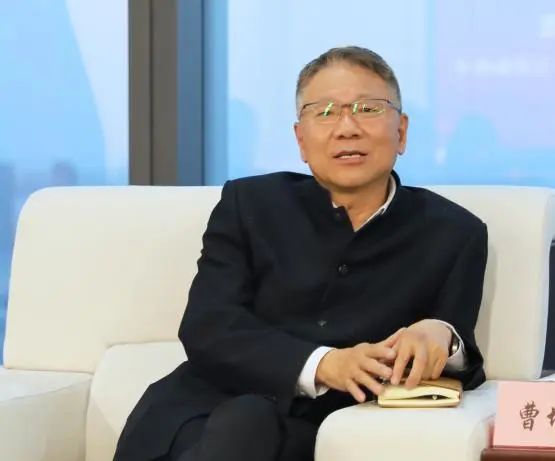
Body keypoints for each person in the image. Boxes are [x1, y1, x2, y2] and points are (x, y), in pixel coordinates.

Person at [113, 46, 488, 461]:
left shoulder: (455, 232)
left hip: (313, 435)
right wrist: (325, 364)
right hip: (198, 417)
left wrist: (441, 333)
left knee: (251, 427)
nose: (347, 128)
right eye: (325, 112)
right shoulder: (250, 203)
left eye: (367, 108)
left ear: (401, 131)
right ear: (301, 141)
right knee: (245, 422)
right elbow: (209, 326)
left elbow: (465, 358)